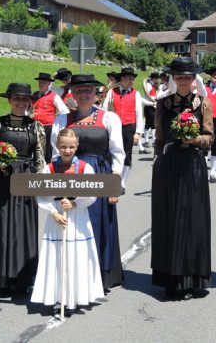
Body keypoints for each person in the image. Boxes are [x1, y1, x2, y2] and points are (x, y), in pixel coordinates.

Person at [51, 74, 126, 289]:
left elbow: (118, 153)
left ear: (96, 94)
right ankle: (73, 276)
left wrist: (115, 185)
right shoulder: (62, 119)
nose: (84, 94)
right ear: (72, 93)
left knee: (95, 225)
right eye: (79, 90)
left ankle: (97, 275)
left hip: (100, 177)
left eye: (88, 90)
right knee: (72, 224)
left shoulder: (109, 118)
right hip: (70, 175)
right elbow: (55, 153)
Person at [151, 57, 214, 300]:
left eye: (188, 77)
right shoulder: (163, 104)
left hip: (192, 165)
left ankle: (190, 279)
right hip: (168, 164)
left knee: (191, 221)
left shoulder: (203, 104)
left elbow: (210, 137)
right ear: (173, 79)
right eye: (179, 77)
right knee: (167, 219)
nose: (184, 81)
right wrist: (157, 162)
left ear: (193, 79)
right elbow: (158, 137)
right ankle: (169, 279)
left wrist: (193, 139)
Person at [31, 128, 104, 316]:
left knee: (75, 255)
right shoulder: (50, 168)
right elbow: (41, 193)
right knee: (58, 256)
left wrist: (74, 202)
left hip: (77, 217)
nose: (67, 150)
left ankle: (74, 298)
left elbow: (92, 194)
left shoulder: (84, 168)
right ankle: (58, 298)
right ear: (57, 145)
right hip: (57, 217)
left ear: (77, 146)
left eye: (71, 147)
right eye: (63, 146)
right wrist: (53, 212)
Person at [0, 83, 46, 296]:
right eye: (16, 98)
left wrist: (43, 182)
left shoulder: (36, 126)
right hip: (3, 178)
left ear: (29, 101)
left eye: (25, 98)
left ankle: (24, 278)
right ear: (9, 100)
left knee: (25, 226)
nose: (21, 102)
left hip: (27, 178)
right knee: (3, 225)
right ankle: (3, 279)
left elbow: (39, 158)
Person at [103, 67, 144, 194]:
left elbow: (139, 113)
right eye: (130, 78)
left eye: (133, 79)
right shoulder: (112, 92)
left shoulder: (135, 93)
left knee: (127, 155)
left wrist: (138, 132)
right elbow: (104, 109)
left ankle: (121, 183)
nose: (132, 81)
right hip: (114, 126)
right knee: (111, 152)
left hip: (129, 126)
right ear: (122, 79)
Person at [32, 72, 70, 163]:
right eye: (40, 82)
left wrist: (59, 123)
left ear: (49, 84)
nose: (41, 85)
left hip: (48, 126)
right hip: (35, 126)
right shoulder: (35, 95)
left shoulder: (54, 96)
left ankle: (48, 167)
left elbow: (64, 111)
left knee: (48, 149)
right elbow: (29, 109)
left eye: (44, 83)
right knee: (35, 148)